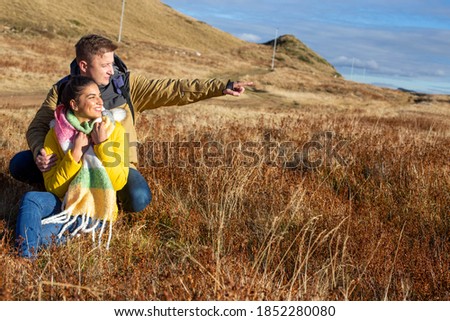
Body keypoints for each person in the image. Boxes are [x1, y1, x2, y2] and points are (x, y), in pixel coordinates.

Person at [9, 34, 253, 213]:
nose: (111, 70)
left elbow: (174, 89)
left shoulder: (127, 86)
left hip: (116, 163)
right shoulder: (63, 89)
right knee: (20, 163)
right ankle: (64, 195)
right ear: (84, 65)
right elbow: (37, 127)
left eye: (112, 63)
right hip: (71, 162)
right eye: (104, 64)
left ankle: (103, 200)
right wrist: (41, 151)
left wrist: (221, 86)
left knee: (138, 198)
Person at [16, 75, 129, 258]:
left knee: (34, 234)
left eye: (99, 95)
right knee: (31, 199)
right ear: (74, 105)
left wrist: (102, 145)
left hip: (95, 209)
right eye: (91, 97)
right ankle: (25, 261)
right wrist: (74, 154)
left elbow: (118, 182)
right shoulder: (55, 135)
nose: (100, 101)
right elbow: (54, 187)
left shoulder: (115, 131)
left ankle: (26, 254)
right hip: (65, 202)